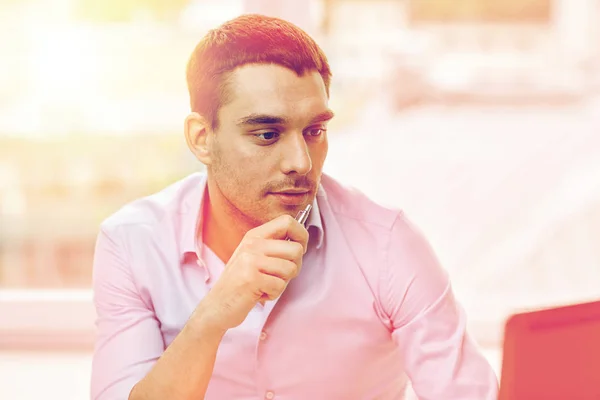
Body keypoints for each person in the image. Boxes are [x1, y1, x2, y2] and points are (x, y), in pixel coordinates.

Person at [90, 14, 499, 400]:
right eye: (268, 134)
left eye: (315, 130)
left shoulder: (388, 244)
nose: (301, 162)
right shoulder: (133, 243)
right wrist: (213, 316)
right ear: (201, 138)